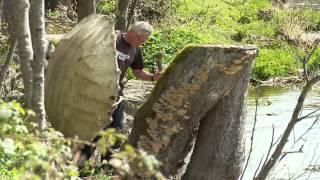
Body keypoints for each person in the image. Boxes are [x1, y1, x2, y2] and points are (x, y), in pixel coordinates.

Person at [79, 21, 160, 166]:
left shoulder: (135, 49)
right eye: (141, 39)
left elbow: (137, 71)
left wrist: (153, 78)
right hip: (96, 90)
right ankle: (80, 163)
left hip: (117, 92)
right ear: (132, 32)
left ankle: (109, 164)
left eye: (144, 41)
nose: (141, 43)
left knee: (116, 127)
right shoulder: (111, 38)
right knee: (94, 127)